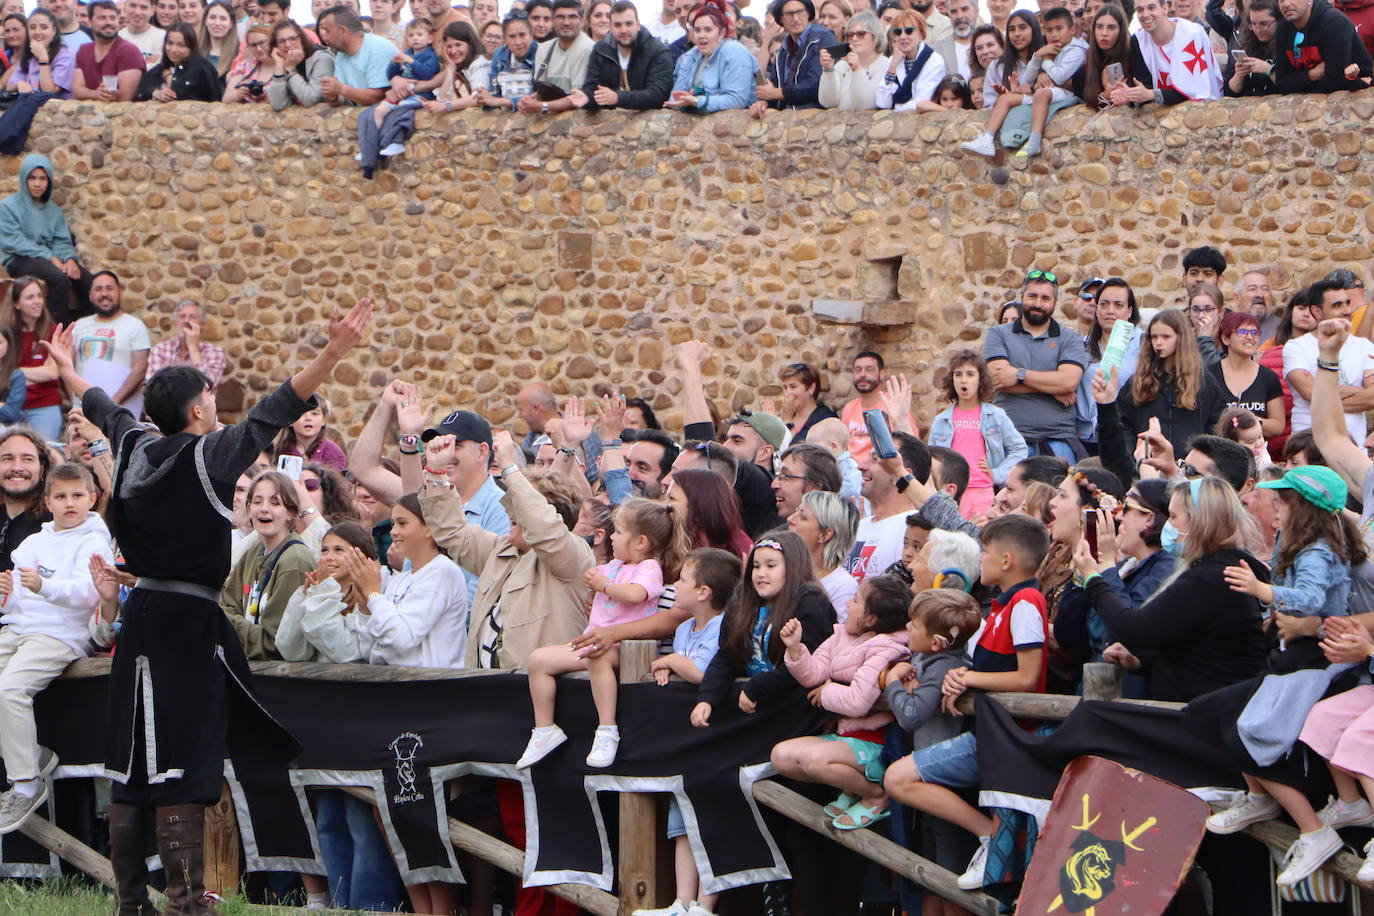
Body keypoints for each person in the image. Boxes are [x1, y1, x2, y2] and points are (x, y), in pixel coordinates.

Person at [44, 297, 373, 916]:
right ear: (198, 410)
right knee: (185, 762)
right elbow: (277, 406)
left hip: (141, 619)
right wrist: (334, 351)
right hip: (188, 625)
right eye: (211, 399)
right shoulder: (210, 454)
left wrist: (67, 366)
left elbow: (101, 405)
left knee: (132, 760)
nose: (218, 408)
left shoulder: (136, 447)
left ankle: (131, 903)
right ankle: (188, 901)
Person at [1192, 464, 1364, 887]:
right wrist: (1272, 614)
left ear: (1302, 507)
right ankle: (1259, 798)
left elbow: (1308, 599)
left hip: (1319, 657)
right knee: (1213, 715)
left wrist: (1262, 591)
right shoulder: (1293, 540)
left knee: (1252, 735)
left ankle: (1314, 831)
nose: (1273, 504)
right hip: (1292, 652)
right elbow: (1290, 603)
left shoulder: (1321, 548)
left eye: (1283, 499)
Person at [883, 514, 1052, 891]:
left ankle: (989, 836)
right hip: (988, 730)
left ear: (1006, 560)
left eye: (987, 552)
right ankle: (989, 837)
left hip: (1006, 736)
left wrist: (966, 677)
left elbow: (1027, 677)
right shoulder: (1005, 607)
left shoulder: (1026, 602)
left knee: (899, 778)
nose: (981, 561)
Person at [518, 497, 688, 769]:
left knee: (597, 656)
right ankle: (544, 729)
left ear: (641, 542)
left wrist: (604, 585)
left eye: (619, 532)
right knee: (539, 660)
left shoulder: (649, 568)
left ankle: (607, 729)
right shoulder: (616, 565)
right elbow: (596, 580)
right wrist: (592, 587)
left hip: (627, 649)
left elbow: (635, 594)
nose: (612, 537)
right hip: (595, 642)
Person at [0, 462, 112, 832]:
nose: (69, 503)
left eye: (77, 495)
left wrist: (42, 587)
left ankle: (26, 785)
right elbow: (17, 601)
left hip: (60, 636)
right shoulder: (32, 542)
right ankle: (33, 755)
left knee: (10, 690)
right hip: (18, 628)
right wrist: (7, 595)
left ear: (92, 499)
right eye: (61, 496)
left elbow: (89, 594)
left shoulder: (95, 540)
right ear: (47, 501)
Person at [635, 547, 741, 916]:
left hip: (715, 740)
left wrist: (672, 662)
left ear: (704, 592)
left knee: (707, 822)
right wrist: (669, 667)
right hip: (684, 742)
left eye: (682, 579)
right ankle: (682, 902)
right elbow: (681, 669)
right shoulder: (682, 628)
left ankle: (705, 905)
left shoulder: (723, 626)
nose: (674, 584)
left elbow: (706, 675)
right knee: (681, 822)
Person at [772, 573, 911, 831]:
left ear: (870, 618)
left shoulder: (887, 647)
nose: (848, 603)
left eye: (856, 599)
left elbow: (858, 701)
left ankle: (875, 795)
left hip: (874, 743)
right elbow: (814, 674)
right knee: (781, 757)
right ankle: (852, 787)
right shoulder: (841, 635)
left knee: (813, 761)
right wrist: (795, 649)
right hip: (844, 736)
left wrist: (826, 693)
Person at [692, 530, 837, 726]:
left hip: (796, 709)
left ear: (793, 568)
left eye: (771, 566)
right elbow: (727, 657)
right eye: (756, 566)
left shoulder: (811, 604)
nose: (761, 573)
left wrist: (757, 687)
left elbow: (809, 665)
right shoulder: (741, 605)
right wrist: (707, 699)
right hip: (754, 706)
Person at [984, 269, 1089, 461]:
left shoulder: (1070, 339)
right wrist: (1052, 388)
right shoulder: (998, 334)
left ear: (1054, 303)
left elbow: (1068, 382)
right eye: (1032, 296)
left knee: (1061, 491)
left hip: (1058, 439)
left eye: (1045, 298)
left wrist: (1019, 375)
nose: (1038, 304)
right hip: (1008, 438)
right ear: (1022, 297)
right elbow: (998, 378)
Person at [960, 5, 1082, 157]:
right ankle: (986, 140)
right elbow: (988, 108)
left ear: (1035, 29)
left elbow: (1067, 83)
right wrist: (1010, 95)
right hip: (1011, 132)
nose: (1017, 34)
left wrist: (1042, 78)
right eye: (1011, 29)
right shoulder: (998, 67)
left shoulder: (1057, 51)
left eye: (1022, 28)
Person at [220, 469, 316, 661]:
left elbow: (271, 643)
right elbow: (226, 602)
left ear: (290, 512)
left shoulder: (294, 560)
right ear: (248, 508)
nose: (264, 509)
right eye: (257, 502)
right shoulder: (253, 551)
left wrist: (223, 620)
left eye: (275, 503)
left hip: (279, 680)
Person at [927, 349, 1028, 519]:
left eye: (970, 374)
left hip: (984, 493)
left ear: (980, 379)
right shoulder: (941, 420)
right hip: (950, 494)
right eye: (958, 374)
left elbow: (1019, 448)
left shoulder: (995, 415)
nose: (963, 380)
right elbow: (931, 459)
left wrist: (997, 473)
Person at [1115, 309, 1226, 456]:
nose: (1158, 343)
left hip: (1191, 468)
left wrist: (1203, 459)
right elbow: (1122, 424)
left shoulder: (1204, 382)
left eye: (1166, 337)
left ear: (1180, 338)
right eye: (1154, 337)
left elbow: (1216, 427)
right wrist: (1133, 455)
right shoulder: (1138, 381)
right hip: (1147, 466)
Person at [0, 155, 93, 326]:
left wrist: (69, 259)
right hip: (20, 259)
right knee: (58, 278)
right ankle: (57, 336)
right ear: (24, 179)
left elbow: (61, 241)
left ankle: (90, 332)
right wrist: (50, 257)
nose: (37, 184)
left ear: (48, 181)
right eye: (32, 178)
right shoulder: (7, 207)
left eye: (42, 178)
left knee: (88, 281)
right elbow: (13, 242)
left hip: (50, 259)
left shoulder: (54, 211)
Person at [1285, 277, 1374, 445]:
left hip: (1353, 449)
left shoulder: (1364, 346)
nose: (1346, 310)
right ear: (1317, 312)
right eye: (1337, 305)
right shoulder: (1296, 347)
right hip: (1308, 448)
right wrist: (1354, 389)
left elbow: (1372, 398)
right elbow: (1309, 392)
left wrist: (1324, 401)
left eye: (1347, 303)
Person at [1110, 0, 1222, 105]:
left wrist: (1152, 94)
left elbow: (1194, 90)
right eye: (1140, 10)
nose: (1145, 14)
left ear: (1165, 8)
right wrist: (1130, 96)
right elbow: (1144, 90)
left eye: (1151, 7)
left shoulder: (1192, 34)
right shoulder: (1138, 40)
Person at [571, 0, 674, 111]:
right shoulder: (600, 50)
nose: (623, 30)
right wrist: (586, 97)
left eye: (628, 24)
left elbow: (658, 95)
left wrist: (618, 98)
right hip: (610, 124)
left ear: (638, 25)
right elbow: (593, 89)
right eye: (617, 25)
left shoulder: (657, 51)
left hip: (650, 123)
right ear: (610, 26)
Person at [664, 0, 757, 112]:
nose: (701, 35)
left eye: (708, 30)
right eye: (697, 30)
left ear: (721, 32)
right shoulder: (688, 57)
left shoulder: (736, 52)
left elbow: (736, 100)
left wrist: (697, 101)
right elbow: (674, 100)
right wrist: (683, 99)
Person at [1209, 310, 1285, 438]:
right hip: (1218, 451)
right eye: (1242, 332)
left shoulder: (1268, 377)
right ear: (1225, 338)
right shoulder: (1209, 375)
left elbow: (1278, 426)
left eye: (1255, 333)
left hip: (1255, 452)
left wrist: (1250, 420)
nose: (1250, 337)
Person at [754, 0, 837, 113]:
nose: (796, 19)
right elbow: (774, 86)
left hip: (816, 118)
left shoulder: (823, 38)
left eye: (800, 12)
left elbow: (816, 83)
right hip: (786, 118)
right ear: (781, 19)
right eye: (789, 14)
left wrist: (777, 93)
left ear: (808, 13)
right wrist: (764, 103)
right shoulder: (783, 49)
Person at [787, 489, 859, 619]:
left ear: (825, 534)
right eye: (795, 511)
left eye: (802, 517)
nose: (790, 519)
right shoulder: (783, 570)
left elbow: (839, 637)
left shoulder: (843, 586)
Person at [1272, 0, 1371, 92]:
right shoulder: (1282, 28)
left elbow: (1337, 83)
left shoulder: (1334, 23)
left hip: (1357, 93)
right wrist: (1312, 75)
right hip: (1310, 99)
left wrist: (1297, 83)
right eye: (1281, 0)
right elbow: (1281, 84)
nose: (1286, 4)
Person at [6, 278, 61, 441]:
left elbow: (52, 372)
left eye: (39, 296)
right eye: (30, 297)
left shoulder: (52, 331)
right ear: (16, 304)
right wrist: (36, 374)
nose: (37, 302)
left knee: (45, 454)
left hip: (44, 405)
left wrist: (16, 373)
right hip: (10, 406)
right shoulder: (6, 333)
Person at [666, 468, 752, 558]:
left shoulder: (738, 550)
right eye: (665, 496)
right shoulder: (668, 538)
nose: (663, 505)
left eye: (671, 498)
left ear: (697, 506)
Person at [319, 4, 393, 104]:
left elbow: (379, 97)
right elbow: (344, 98)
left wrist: (342, 89)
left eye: (328, 31)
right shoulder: (341, 54)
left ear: (342, 31)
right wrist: (333, 97)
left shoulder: (378, 50)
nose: (324, 38)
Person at [71, 0, 145, 100]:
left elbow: (125, 97)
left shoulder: (129, 51)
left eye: (112, 18)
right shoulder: (84, 50)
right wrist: (95, 94)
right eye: (102, 18)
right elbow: (77, 91)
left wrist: (95, 94)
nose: (108, 22)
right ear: (90, 21)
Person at [145, 301, 227, 390]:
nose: (186, 321)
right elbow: (153, 386)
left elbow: (207, 385)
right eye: (182, 316)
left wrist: (193, 348)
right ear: (175, 323)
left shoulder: (214, 353)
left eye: (192, 317)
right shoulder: (160, 349)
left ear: (202, 325)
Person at [874, 8, 945, 110]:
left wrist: (895, 106)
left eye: (909, 31)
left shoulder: (934, 61)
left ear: (921, 34)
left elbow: (921, 103)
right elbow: (883, 103)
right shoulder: (892, 61)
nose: (903, 36)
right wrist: (893, 66)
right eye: (898, 32)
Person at [818, 9, 888, 109]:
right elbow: (828, 102)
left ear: (875, 35)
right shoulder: (841, 65)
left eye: (861, 33)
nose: (854, 39)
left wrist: (857, 69)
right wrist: (828, 70)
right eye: (850, 35)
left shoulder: (885, 65)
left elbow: (865, 106)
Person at [133, 22, 223, 101]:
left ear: (191, 47)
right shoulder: (159, 69)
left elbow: (186, 96)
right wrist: (154, 93)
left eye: (181, 45)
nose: (174, 50)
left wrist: (169, 78)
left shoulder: (203, 70)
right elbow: (139, 94)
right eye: (170, 43)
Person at [1071, 4, 1133, 109]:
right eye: (1099, 27)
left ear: (1121, 30)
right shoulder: (1083, 71)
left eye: (1111, 27)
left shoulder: (1133, 59)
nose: (1104, 33)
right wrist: (1106, 95)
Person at [481, 11, 538, 109]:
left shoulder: (541, 53)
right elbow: (493, 94)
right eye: (512, 36)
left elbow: (540, 96)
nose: (518, 42)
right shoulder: (498, 55)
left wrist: (505, 102)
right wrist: (484, 97)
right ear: (504, 39)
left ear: (531, 34)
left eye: (522, 35)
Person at [273, 397, 347, 471]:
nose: (308, 418)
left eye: (315, 414)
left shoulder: (333, 453)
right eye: (301, 413)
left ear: (324, 420)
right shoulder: (280, 451)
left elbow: (335, 481)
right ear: (290, 420)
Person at [1227, 0, 1280, 94]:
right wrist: (1239, 75)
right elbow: (1231, 91)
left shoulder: (1287, 44)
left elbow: (1293, 85)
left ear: (1278, 21)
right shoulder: (1247, 44)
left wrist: (1269, 70)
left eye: (1264, 24)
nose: (1258, 29)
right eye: (1253, 24)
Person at [222, 20, 273, 100]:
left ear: (272, 41)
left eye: (262, 43)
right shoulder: (245, 66)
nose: (259, 49)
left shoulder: (286, 67)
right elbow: (225, 99)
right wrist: (237, 94)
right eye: (253, 45)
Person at [119, 0, 167, 66]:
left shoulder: (163, 37)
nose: (137, 12)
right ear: (125, 7)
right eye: (133, 6)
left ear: (153, 10)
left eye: (143, 7)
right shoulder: (117, 38)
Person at [196, 0, 237, 76]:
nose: (217, 23)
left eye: (223, 19)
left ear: (231, 23)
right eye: (212, 17)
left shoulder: (238, 54)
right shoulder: (195, 52)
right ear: (205, 20)